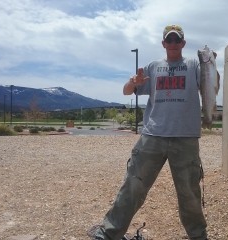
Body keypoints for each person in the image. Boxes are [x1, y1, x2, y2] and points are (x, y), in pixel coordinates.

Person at [88, 24, 208, 240]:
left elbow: (209, 82)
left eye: (176, 40)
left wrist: (211, 63)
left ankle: (198, 236)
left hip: (186, 138)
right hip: (153, 135)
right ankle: (109, 232)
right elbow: (126, 91)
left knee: (190, 193)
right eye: (169, 40)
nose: (172, 43)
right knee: (133, 185)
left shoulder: (194, 65)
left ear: (183, 43)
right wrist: (132, 82)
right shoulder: (153, 67)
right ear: (163, 44)